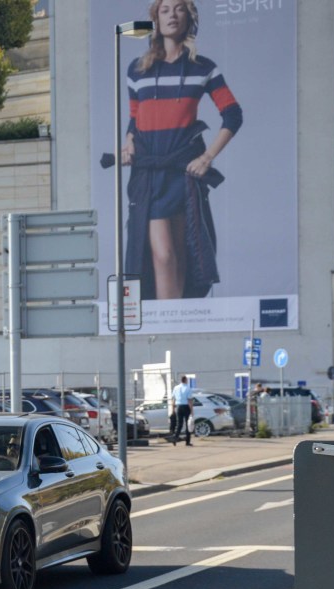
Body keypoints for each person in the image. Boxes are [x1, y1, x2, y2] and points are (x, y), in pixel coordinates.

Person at [121, 0, 243, 301]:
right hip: (149, 174)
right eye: (165, 10)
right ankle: (165, 330)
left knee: (181, 253)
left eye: (179, 9)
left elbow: (233, 114)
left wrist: (207, 157)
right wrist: (128, 142)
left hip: (182, 173)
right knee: (161, 256)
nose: (172, 15)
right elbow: (135, 119)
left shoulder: (204, 68)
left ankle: (174, 327)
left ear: (189, 18)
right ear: (156, 20)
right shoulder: (137, 70)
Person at [170, 375, 193, 445]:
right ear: (185, 380)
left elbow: (173, 399)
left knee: (179, 424)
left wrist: (173, 409)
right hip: (186, 406)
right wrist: (192, 410)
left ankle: (175, 438)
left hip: (178, 407)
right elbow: (189, 400)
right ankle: (187, 441)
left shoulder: (176, 388)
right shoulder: (188, 388)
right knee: (188, 424)